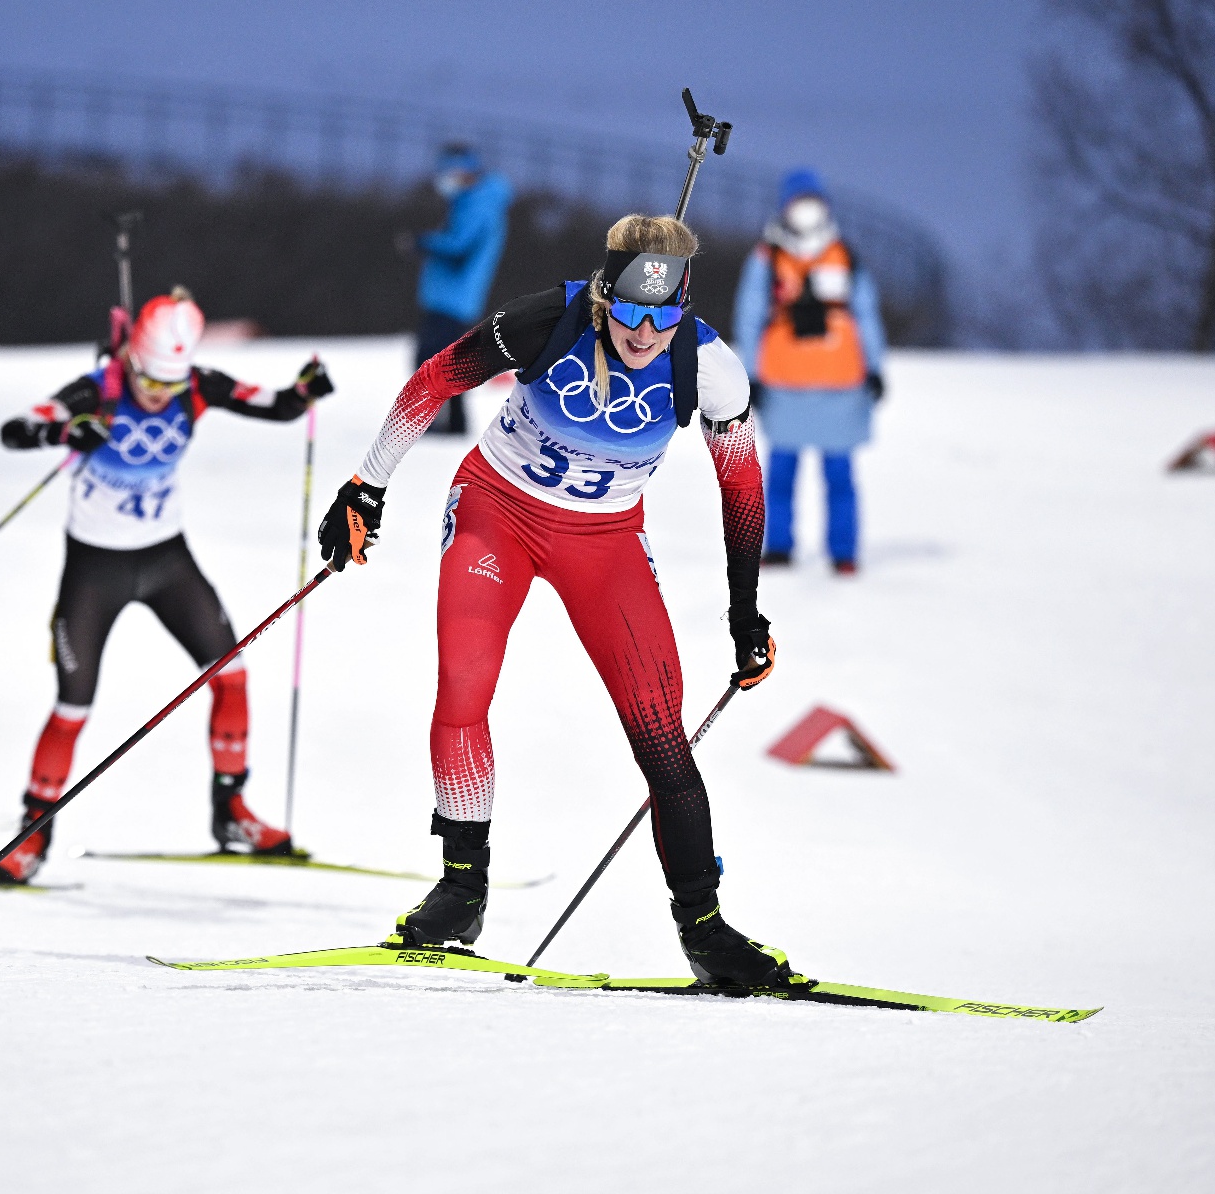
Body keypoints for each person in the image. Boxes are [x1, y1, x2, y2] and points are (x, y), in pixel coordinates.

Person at [318, 213, 803, 990]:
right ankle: (460, 889)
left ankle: (705, 930)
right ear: (606, 295)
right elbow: (435, 379)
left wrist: (745, 613)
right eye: (632, 312)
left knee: (661, 740)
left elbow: (740, 487)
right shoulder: (548, 317)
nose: (645, 334)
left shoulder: (710, 367)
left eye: (665, 315)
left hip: (603, 543)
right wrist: (364, 486)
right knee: (464, 684)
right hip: (496, 514)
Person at [0, 287, 334, 884]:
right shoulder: (97, 390)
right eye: (150, 383)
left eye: (168, 389)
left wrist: (306, 389)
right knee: (73, 704)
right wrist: (65, 434)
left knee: (232, 674)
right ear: (131, 361)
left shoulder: (198, 384)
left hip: (167, 560)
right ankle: (32, 835)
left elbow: (277, 405)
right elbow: (16, 430)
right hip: (95, 569)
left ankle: (231, 812)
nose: (157, 397)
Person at [733, 168, 887, 574]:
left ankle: (843, 551)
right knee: (784, 471)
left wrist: (874, 368)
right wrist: (752, 375)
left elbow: (866, 315)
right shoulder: (768, 259)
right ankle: (784, 546)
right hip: (786, 382)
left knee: (837, 474)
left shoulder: (844, 256)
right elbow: (749, 318)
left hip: (840, 382)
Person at [400, 143, 512, 437]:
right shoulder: (474, 203)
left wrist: (423, 242)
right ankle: (451, 424)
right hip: (453, 299)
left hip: (453, 300)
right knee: (449, 361)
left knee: (431, 360)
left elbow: (459, 247)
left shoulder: (479, 205)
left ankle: (435, 423)